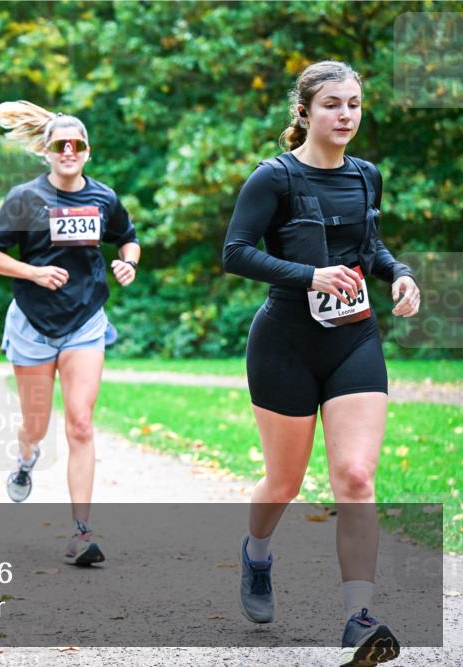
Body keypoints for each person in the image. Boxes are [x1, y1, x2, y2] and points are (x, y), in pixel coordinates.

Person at [222, 61, 420, 667]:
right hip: (284, 341)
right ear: (304, 112)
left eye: (355, 104)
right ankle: (257, 553)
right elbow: (235, 253)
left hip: (353, 339)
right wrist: (309, 274)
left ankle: (359, 619)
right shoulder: (273, 178)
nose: (346, 116)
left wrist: (401, 274)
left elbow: (369, 247)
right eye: (333, 104)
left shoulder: (367, 177)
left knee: (357, 477)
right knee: (283, 481)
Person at [0, 101, 140, 566]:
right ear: (47, 152)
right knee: (36, 424)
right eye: (60, 145)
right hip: (32, 324)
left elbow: (128, 236)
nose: (69, 151)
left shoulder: (104, 198)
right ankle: (26, 459)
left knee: (81, 423)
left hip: (85, 321)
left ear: (87, 152)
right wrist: (33, 273)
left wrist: (128, 261)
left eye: (78, 145)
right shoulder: (26, 199)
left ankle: (81, 531)